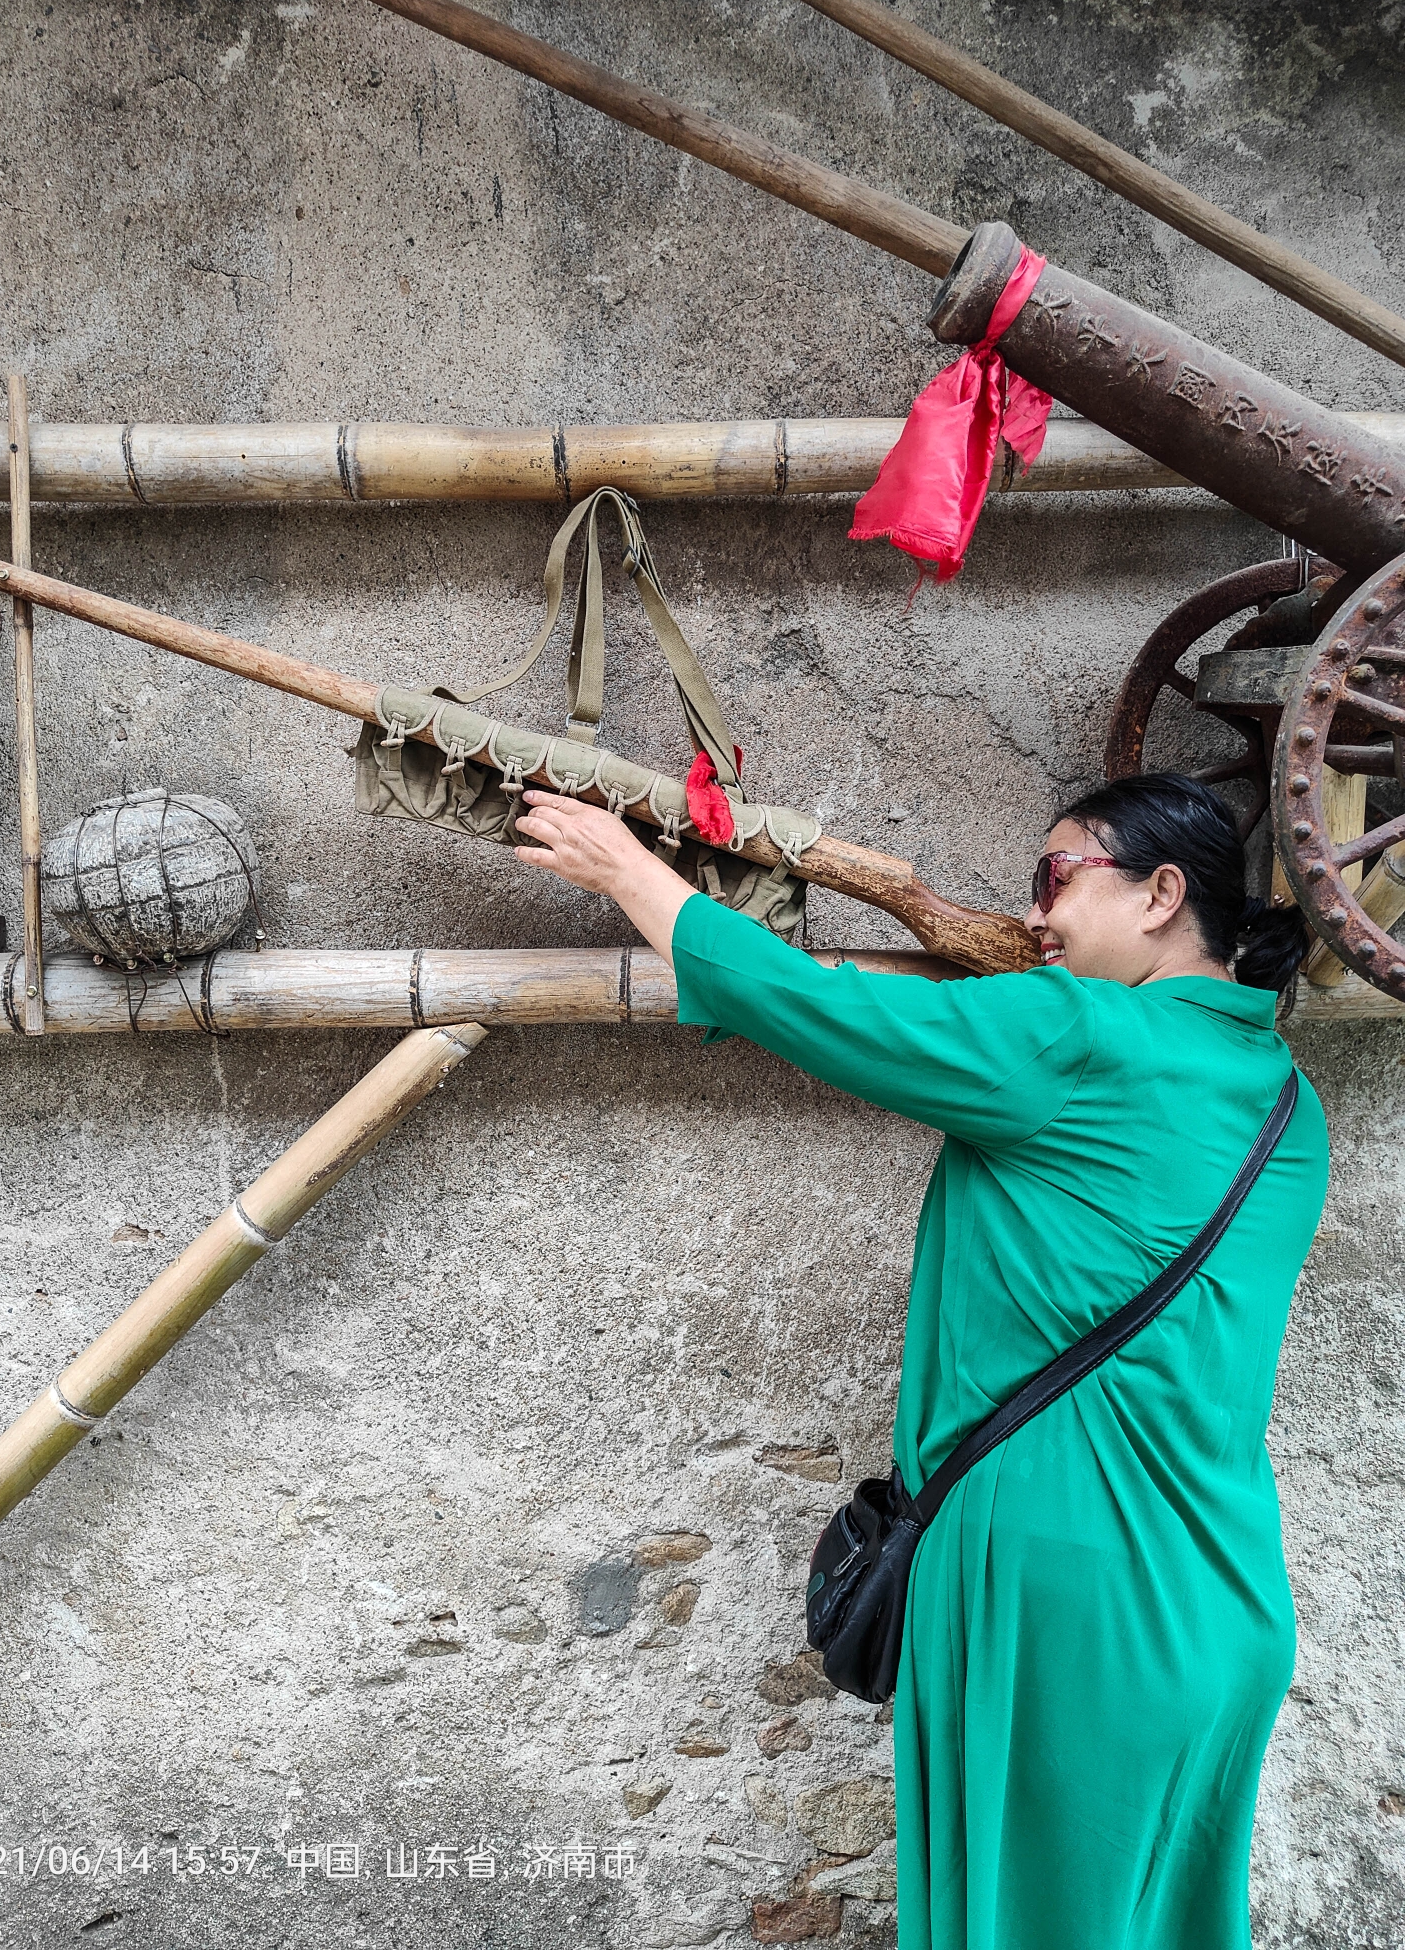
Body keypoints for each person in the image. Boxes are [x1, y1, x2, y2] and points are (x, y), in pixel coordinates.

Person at [512, 770, 1329, 1950]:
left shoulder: (1077, 1032)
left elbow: (821, 1007)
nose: (1037, 914)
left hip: (1069, 1595)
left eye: (1057, 874)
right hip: (1226, 1603)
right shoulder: (1289, 1102)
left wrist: (629, 871)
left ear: (1160, 892)